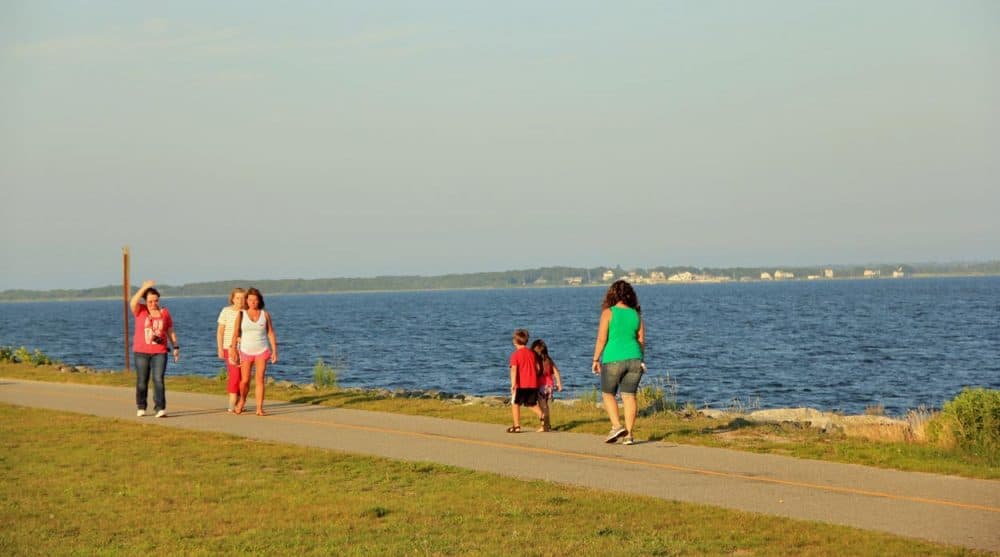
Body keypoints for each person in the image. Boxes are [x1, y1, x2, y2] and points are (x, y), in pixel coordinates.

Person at [591, 280, 645, 445]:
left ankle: (616, 426)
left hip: (613, 358)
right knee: (629, 396)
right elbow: (641, 340)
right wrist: (640, 359)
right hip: (635, 358)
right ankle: (629, 435)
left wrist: (595, 359)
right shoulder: (636, 314)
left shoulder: (609, 313)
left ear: (612, 295)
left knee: (608, 394)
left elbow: (602, 339)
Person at [130, 280, 179, 418]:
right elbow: (132, 302)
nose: (153, 304)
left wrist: (175, 346)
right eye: (150, 301)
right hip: (141, 352)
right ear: (145, 301)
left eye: (156, 300)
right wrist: (144, 287)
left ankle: (160, 408)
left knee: (158, 379)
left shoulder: (164, 312)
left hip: (160, 352)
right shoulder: (140, 310)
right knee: (142, 380)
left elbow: (170, 330)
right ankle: (141, 406)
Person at [229, 287, 277, 416]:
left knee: (260, 379)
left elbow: (270, 333)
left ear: (259, 301)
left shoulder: (265, 315)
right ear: (247, 301)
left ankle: (259, 408)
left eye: (255, 300)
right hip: (246, 351)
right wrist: (233, 349)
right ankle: (242, 401)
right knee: (245, 381)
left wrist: (274, 350)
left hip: (262, 350)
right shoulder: (241, 314)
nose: (253, 302)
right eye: (250, 300)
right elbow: (235, 334)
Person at [506, 329, 543, 433]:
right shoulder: (532, 353)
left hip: (521, 384)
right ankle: (541, 414)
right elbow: (538, 368)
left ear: (515, 341)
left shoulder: (515, 355)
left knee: (515, 403)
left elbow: (514, 370)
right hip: (533, 383)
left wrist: (513, 384)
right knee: (531, 403)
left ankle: (517, 426)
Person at [216, 287, 246, 413]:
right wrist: (220, 348)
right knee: (234, 375)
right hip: (229, 347)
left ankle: (240, 402)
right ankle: (232, 402)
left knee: (243, 377)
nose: (240, 300)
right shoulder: (226, 311)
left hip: (245, 348)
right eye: (237, 298)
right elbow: (220, 331)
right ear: (232, 299)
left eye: (242, 298)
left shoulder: (247, 312)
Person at [531, 339, 563, 432]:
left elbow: (534, 373)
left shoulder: (536, 362)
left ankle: (544, 425)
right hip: (549, 386)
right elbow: (556, 371)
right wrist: (559, 383)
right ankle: (548, 425)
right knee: (546, 407)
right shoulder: (548, 360)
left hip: (540, 387)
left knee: (542, 407)